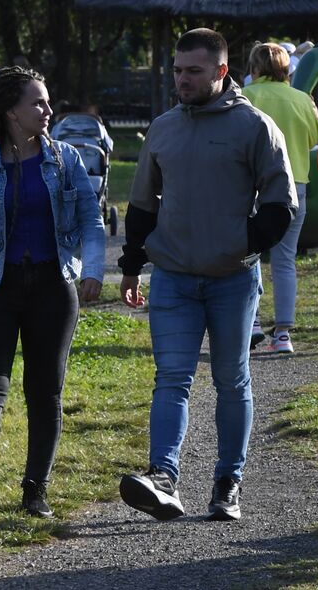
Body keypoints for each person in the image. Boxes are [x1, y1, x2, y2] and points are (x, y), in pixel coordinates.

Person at [117, 28, 297, 522]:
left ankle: (227, 484)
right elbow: (140, 204)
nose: (182, 80)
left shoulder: (255, 127)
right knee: (171, 379)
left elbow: (281, 205)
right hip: (173, 276)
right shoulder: (164, 128)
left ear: (221, 71)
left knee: (230, 380)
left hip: (232, 280)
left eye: (193, 71)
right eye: (177, 70)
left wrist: (240, 245)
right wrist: (133, 265)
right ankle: (163, 478)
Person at [0, 66, 106, 523]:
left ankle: (36, 490)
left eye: (47, 101)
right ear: (11, 112)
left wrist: (93, 271)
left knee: (45, 390)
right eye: (37, 102)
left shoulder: (67, 160)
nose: (48, 110)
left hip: (53, 288)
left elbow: (92, 223)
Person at [242, 42, 318, 355]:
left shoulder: (246, 97)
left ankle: (251, 322)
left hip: (252, 187)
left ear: (254, 68)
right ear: (287, 68)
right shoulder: (301, 99)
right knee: (284, 260)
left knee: (248, 256)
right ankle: (283, 334)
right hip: (295, 187)